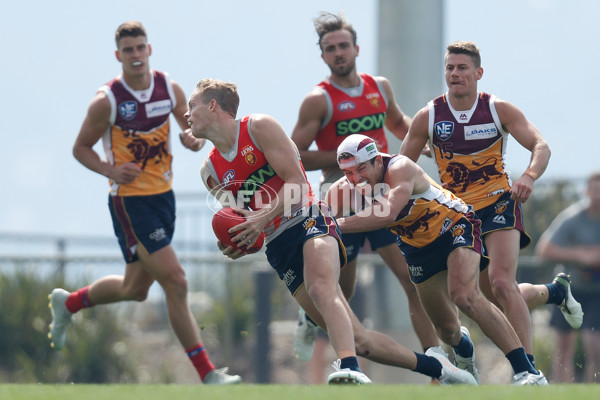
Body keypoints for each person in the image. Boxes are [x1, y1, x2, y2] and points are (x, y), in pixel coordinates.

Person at [187, 78, 478, 385]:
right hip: (278, 245)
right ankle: (441, 370)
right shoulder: (211, 172)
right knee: (360, 339)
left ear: (212, 105)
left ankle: (349, 367)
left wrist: (260, 218)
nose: (187, 114)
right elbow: (243, 221)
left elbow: (298, 184)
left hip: (309, 218)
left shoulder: (258, 127)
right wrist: (238, 242)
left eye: (191, 105)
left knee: (321, 288)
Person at [47, 21, 241, 385]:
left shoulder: (168, 88)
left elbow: (189, 126)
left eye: (140, 48)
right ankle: (208, 374)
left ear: (149, 50)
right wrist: (109, 169)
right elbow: (80, 148)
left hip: (163, 198)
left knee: (134, 289)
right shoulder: (107, 100)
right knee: (176, 280)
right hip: (130, 202)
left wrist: (192, 140)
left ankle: (68, 302)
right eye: (128, 50)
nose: (136, 55)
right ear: (118, 55)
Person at [399, 40, 583, 369]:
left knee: (501, 283)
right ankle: (553, 293)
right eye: (450, 68)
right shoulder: (429, 117)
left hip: (499, 202)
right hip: (456, 215)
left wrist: (528, 176)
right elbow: (399, 171)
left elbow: (541, 145)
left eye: (462, 68)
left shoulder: (498, 109)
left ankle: (528, 370)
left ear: (478, 72)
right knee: (486, 298)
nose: (454, 74)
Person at [335, 133, 549, 385]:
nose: (357, 179)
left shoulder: (399, 168)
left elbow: (388, 214)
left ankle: (528, 372)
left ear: (377, 162)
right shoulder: (342, 188)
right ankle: (464, 349)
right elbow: (320, 217)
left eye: (362, 169)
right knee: (447, 330)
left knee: (465, 296)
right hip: (418, 249)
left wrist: (337, 224)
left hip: (454, 227)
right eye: (349, 173)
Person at [290, 10, 438, 364]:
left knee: (412, 278)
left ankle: (440, 365)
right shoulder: (318, 99)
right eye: (331, 48)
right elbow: (294, 155)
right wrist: (347, 160)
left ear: (356, 48)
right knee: (344, 289)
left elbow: (399, 122)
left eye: (344, 45)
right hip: (342, 197)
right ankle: (311, 318)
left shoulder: (379, 87)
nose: (339, 52)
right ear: (323, 55)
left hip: (383, 195)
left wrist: (424, 143)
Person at [535, 172, 600, 383]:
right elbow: (543, 250)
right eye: (595, 190)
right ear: (587, 191)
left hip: (597, 292)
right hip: (569, 289)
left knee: (595, 348)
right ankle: (562, 391)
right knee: (563, 347)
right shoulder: (572, 217)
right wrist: (581, 254)